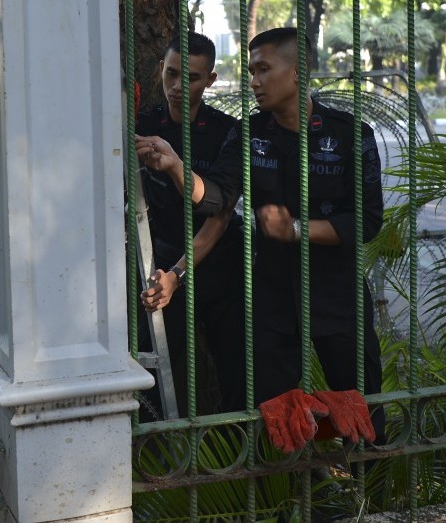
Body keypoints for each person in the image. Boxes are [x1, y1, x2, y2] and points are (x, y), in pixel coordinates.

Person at [137, 27, 384, 437]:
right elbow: (217, 198)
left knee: (361, 410)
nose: (253, 81)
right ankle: (286, 496)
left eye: (264, 69)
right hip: (271, 301)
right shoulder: (249, 134)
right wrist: (177, 167)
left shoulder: (349, 135)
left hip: (336, 296)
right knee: (278, 416)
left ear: (298, 72)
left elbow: (368, 221)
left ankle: (368, 493)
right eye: (251, 70)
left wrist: (297, 230)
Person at [135, 32, 246, 419]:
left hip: (219, 266)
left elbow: (219, 213)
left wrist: (174, 165)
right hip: (160, 264)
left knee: (238, 376)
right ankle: (147, 462)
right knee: (147, 375)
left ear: (211, 80)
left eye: (194, 78)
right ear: (160, 70)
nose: (180, 86)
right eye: (172, 74)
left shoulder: (229, 132)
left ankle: (237, 465)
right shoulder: (144, 122)